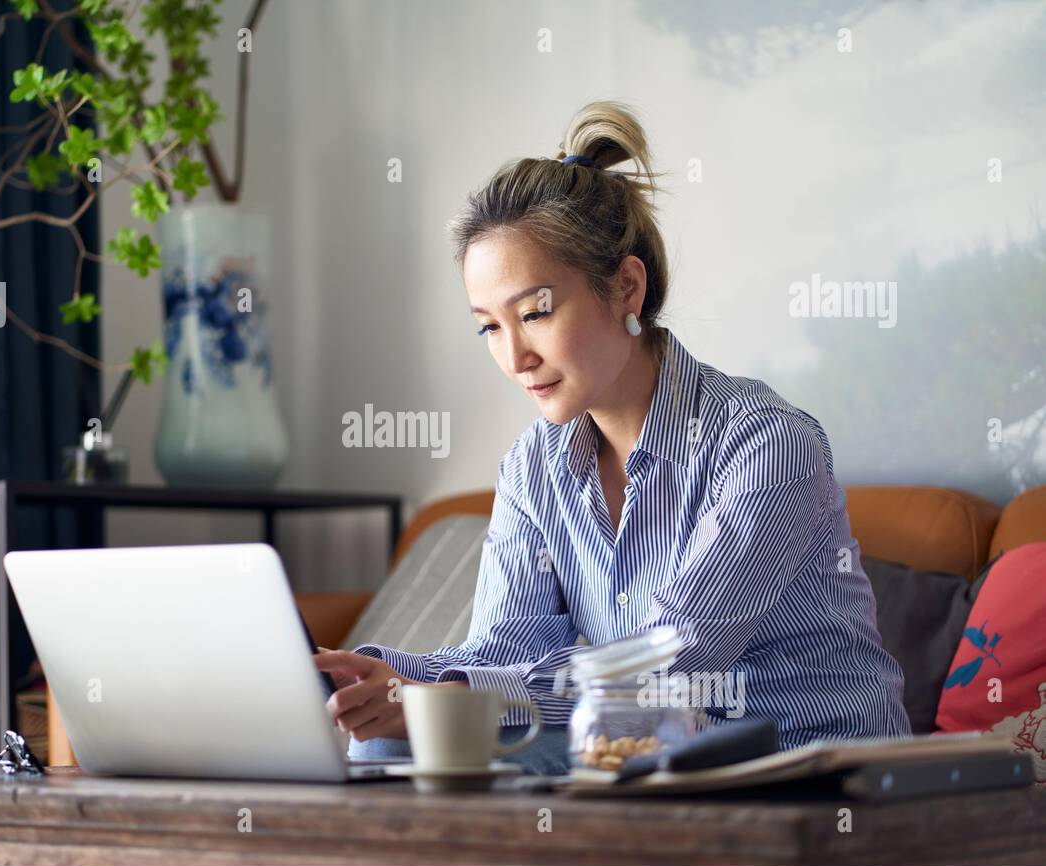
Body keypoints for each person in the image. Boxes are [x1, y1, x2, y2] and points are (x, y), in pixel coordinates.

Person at [314, 100, 910, 775]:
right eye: (489, 326)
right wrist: (375, 674)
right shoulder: (533, 467)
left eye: (535, 312)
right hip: (642, 750)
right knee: (397, 735)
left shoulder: (770, 446)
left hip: (807, 765)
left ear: (626, 288)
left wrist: (448, 691)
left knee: (436, 721)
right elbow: (501, 655)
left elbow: (675, 661)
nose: (514, 357)